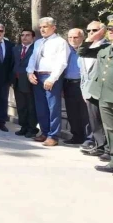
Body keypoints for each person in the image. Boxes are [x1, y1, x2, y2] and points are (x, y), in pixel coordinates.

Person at [26, 17, 69, 147]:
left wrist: (52, 79)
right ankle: (44, 132)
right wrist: (30, 72)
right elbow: (33, 58)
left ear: (53, 27)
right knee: (41, 107)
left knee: (53, 107)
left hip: (51, 77)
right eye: (40, 27)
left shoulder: (60, 42)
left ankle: (53, 136)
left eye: (45, 26)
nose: (42, 29)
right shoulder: (38, 42)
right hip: (37, 76)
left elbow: (62, 62)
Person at [78, 22, 113, 172]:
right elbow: (82, 52)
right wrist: (94, 36)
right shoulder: (104, 48)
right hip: (104, 95)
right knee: (109, 129)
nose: (111, 32)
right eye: (109, 29)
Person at [62, 28, 89, 145]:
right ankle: (76, 136)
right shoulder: (65, 51)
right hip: (68, 84)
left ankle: (88, 139)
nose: (72, 39)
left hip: (83, 85)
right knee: (72, 112)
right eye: (70, 37)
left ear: (82, 38)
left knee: (85, 113)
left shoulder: (88, 50)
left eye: (75, 37)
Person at [13, 29, 38, 138]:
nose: (24, 37)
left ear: (33, 37)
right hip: (17, 81)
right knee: (21, 106)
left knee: (31, 106)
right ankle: (23, 126)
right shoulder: (15, 49)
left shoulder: (36, 49)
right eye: (22, 35)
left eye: (27, 35)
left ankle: (32, 128)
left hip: (30, 81)